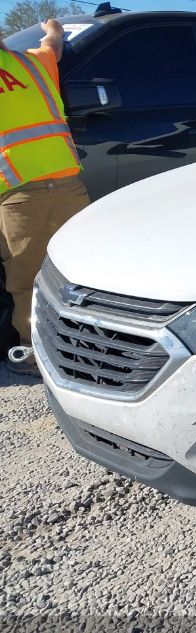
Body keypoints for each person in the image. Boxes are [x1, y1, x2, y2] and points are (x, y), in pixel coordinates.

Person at [0, 20, 90, 376]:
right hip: (69, 184)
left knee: (27, 281)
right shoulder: (34, 63)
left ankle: (39, 355)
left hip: (19, 194)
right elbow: (54, 43)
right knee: (77, 273)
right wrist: (52, 26)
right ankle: (89, 346)